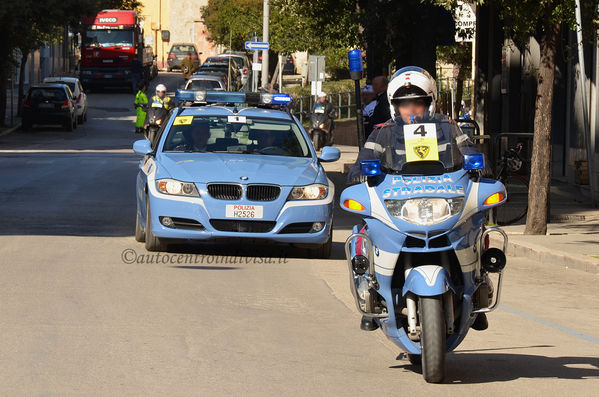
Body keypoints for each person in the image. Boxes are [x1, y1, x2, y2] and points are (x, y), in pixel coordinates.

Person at [347, 66, 487, 332]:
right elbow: (364, 159)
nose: (411, 110)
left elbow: (470, 150)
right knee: (365, 231)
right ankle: (368, 290)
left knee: (476, 226)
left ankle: (478, 284)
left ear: (430, 102)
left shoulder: (449, 129)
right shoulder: (383, 132)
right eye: (404, 104)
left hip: (442, 198)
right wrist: (358, 172)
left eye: (418, 103)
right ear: (393, 106)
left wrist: (480, 163)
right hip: (397, 201)